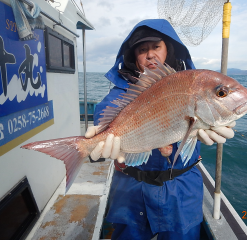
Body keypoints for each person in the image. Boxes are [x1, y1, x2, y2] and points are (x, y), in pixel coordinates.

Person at [85, 19, 235, 240]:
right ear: (133, 56)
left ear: (168, 50)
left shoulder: (189, 84)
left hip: (181, 190)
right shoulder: (121, 94)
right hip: (131, 189)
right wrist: (94, 147)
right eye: (142, 50)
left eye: (156, 47)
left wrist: (220, 121)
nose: (150, 55)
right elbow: (104, 117)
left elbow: (208, 108)